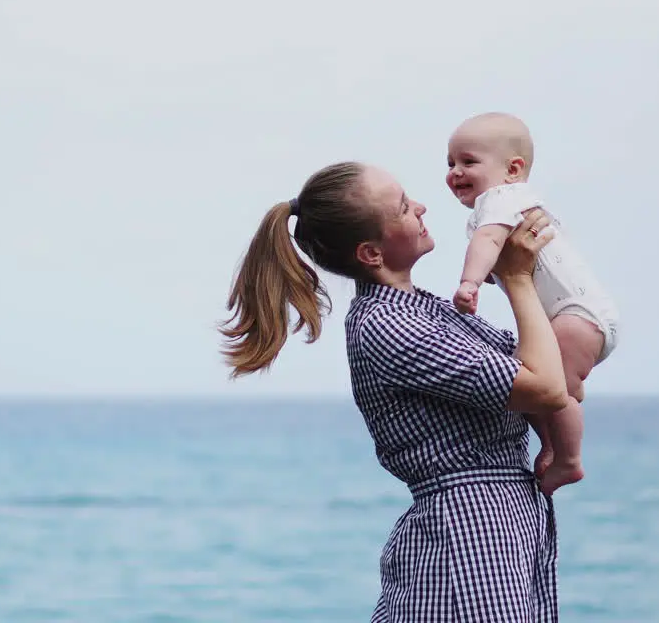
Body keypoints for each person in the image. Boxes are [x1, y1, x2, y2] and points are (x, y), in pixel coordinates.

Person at [219, 161, 571, 622]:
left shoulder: (427, 310)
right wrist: (519, 278)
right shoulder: (388, 326)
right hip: (470, 535)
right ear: (370, 253)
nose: (422, 206)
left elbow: (548, 367)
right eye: (404, 207)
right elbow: (545, 388)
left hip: (495, 525)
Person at [446, 112, 620, 496]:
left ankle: (568, 460)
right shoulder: (509, 205)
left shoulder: (501, 199)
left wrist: (469, 283)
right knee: (530, 387)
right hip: (577, 317)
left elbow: (489, 244)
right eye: (451, 163)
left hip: (576, 316)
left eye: (468, 161)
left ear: (512, 169)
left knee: (554, 392)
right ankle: (554, 447)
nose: (455, 171)